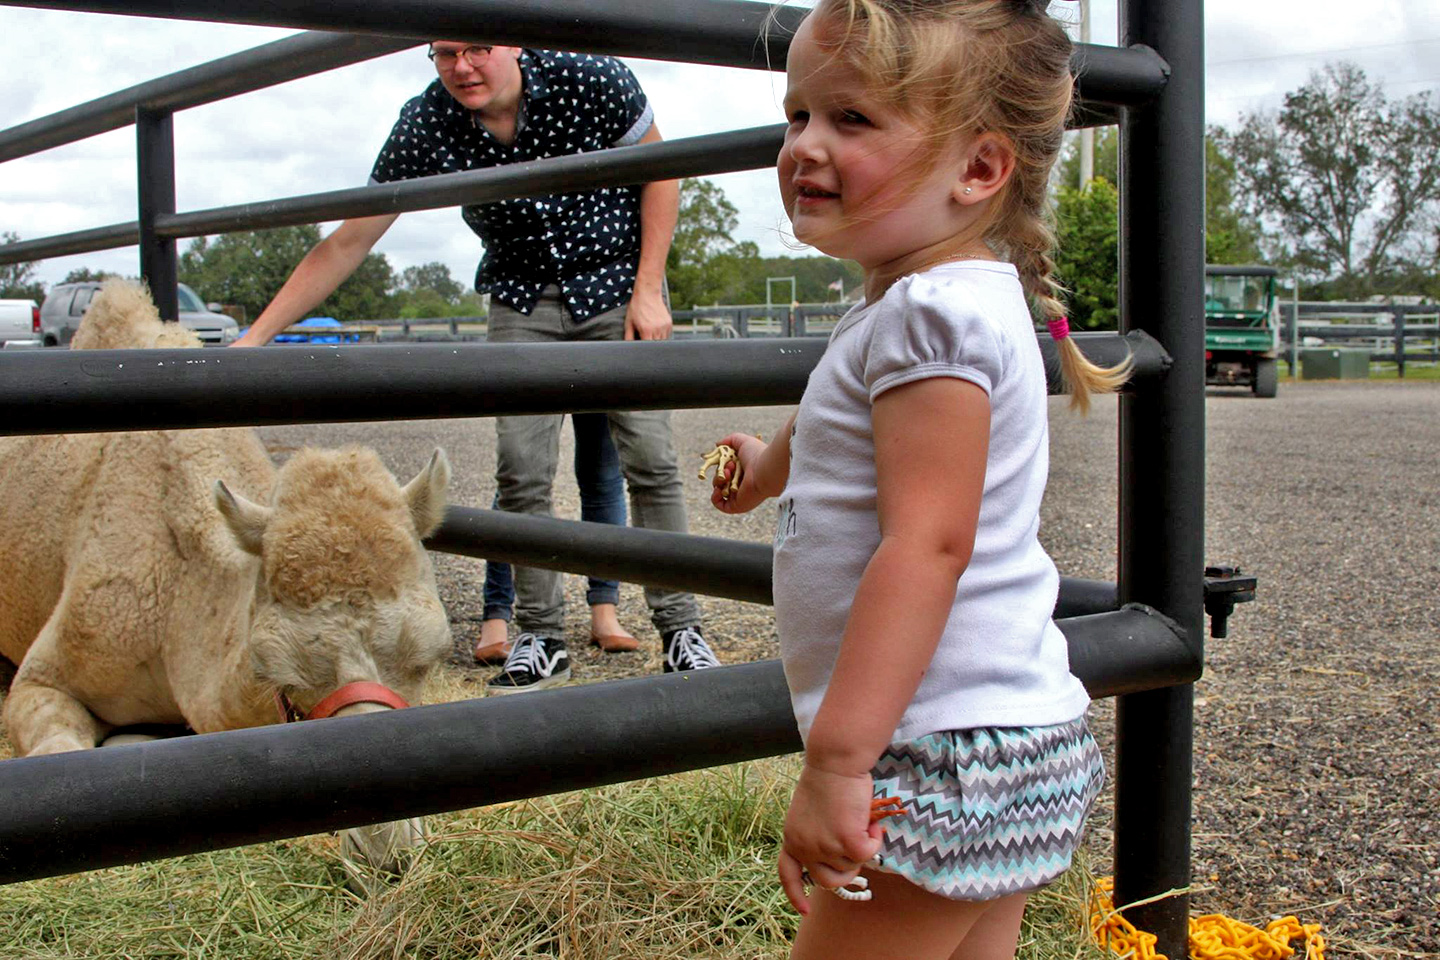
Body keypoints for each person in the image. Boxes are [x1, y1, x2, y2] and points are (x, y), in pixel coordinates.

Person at [708, 1, 1130, 957]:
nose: (804, 145)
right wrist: (772, 468)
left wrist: (837, 766)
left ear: (979, 169)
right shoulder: (948, 301)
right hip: (1013, 738)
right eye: (798, 115)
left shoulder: (925, 320)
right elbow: (856, 427)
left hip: (932, 750)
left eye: (850, 120)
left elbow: (928, 545)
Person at [233, 41, 720, 694]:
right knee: (521, 471)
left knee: (651, 458)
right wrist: (254, 339)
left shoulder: (591, 77)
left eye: (479, 49)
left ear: (514, 39)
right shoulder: (429, 118)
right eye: (443, 55)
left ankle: (680, 627)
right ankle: (541, 637)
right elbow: (351, 238)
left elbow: (661, 170)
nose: (462, 68)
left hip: (614, 285)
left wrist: (651, 286)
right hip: (522, 299)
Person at [473, 411, 640, 663]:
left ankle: (604, 610)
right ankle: (496, 614)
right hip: (536, 370)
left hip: (598, 371)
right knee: (520, 480)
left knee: (604, 476)